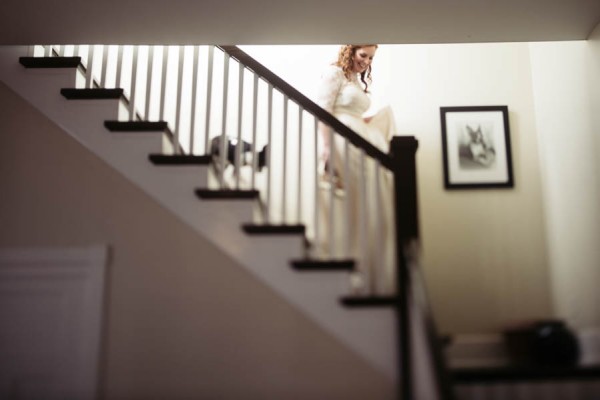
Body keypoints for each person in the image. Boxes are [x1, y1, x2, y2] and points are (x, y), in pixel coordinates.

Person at [314, 45, 398, 294]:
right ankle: (351, 261)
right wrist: (327, 148)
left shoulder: (355, 81)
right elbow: (323, 111)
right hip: (343, 144)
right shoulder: (334, 74)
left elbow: (354, 114)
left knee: (371, 202)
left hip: (359, 140)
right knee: (355, 202)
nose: (366, 62)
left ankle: (372, 263)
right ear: (350, 51)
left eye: (371, 58)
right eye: (363, 55)